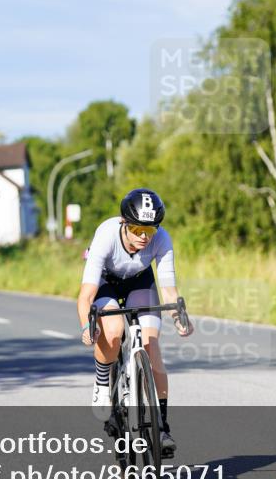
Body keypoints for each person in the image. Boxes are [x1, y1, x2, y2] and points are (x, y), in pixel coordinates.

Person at [78, 188, 193, 455]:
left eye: (149, 231)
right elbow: (85, 296)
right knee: (114, 330)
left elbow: (170, 291)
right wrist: (87, 326)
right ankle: (103, 381)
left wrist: (179, 318)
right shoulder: (106, 235)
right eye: (138, 230)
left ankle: (162, 428)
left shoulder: (161, 239)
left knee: (151, 347)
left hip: (139, 282)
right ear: (124, 223)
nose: (144, 237)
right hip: (107, 282)